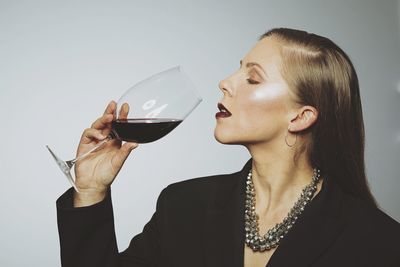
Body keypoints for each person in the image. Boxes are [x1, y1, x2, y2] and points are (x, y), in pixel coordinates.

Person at [56, 28, 400, 267]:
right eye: (238, 69)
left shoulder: (377, 241)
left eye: (253, 78)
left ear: (301, 116)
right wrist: (90, 190)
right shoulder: (183, 206)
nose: (225, 82)